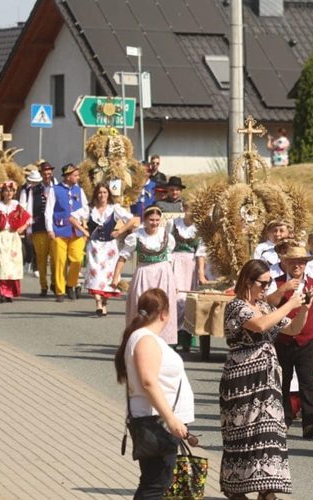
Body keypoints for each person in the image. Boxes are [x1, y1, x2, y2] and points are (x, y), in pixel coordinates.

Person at [220, 259, 312, 500]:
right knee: (242, 435)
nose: (267, 287)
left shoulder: (264, 306)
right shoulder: (236, 306)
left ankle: (267, 490)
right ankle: (235, 487)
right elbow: (259, 325)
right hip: (241, 380)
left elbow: (292, 329)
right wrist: (289, 302)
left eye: (269, 283)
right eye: (263, 283)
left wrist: (303, 308)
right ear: (248, 281)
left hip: (268, 380)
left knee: (269, 434)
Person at [115, 288, 195, 498]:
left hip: (158, 420)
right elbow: (148, 382)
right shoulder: (146, 340)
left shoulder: (143, 337)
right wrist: (171, 419)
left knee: (157, 482)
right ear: (164, 314)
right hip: (156, 422)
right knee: (155, 485)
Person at [265, 241, 313, 439]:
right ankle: (284, 419)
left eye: (301, 262)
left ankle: (310, 422)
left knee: (308, 381)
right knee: (283, 380)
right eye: (293, 263)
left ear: (306, 265)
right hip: (283, 339)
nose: (297, 266)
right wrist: (284, 289)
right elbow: (268, 303)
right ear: (285, 263)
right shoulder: (277, 281)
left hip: (307, 338)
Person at [112, 206, 179, 343]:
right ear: (145, 220)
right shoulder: (136, 236)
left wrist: (174, 281)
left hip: (163, 273)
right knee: (140, 305)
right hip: (144, 273)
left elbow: (169, 258)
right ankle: (138, 339)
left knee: (163, 305)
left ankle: (163, 340)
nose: (154, 223)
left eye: (157, 220)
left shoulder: (166, 236)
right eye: (151, 220)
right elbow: (123, 257)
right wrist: (115, 277)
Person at [71, 183, 135, 316]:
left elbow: (131, 219)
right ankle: (98, 303)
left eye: (105, 192)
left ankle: (104, 302)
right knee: (95, 274)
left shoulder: (114, 209)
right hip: (94, 246)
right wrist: (84, 231)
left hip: (109, 247)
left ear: (108, 194)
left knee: (109, 276)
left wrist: (120, 231)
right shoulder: (89, 209)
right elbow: (72, 218)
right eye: (100, 192)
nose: (102, 195)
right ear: (96, 194)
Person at [46, 164, 88, 302]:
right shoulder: (55, 190)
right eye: (75, 175)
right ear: (68, 176)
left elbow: (85, 208)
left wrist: (81, 218)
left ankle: (71, 284)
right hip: (59, 229)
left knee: (77, 259)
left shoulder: (79, 190)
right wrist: (50, 229)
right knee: (60, 261)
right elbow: (49, 210)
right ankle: (60, 291)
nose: (78, 177)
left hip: (76, 231)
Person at [170, 200, 208, 346]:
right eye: (187, 207)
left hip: (190, 266)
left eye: (193, 208)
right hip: (175, 262)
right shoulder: (173, 223)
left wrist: (201, 273)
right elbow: (167, 246)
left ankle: (187, 335)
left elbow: (201, 253)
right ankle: (174, 335)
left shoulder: (199, 228)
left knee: (188, 300)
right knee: (175, 298)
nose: (190, 211)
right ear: (183, 208)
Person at [0, 182, 31, 303]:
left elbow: (28, 218)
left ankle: (11, 292)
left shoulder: (17, 205)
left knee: (13, 265)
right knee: (3, 264)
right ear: (2, 192)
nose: (9, 193)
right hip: (2, 235)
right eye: (6, 190)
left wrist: (22, 228)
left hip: (14, 237)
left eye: (11, 191)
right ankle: (3, 292)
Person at [22, 162, 57, 295]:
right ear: (41, 175)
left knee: (55, 258)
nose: (47, 176)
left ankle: (54, 282)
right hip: (39, 227)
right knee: (41, 259)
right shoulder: (34, 190)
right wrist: (29, 229)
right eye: (45, 174)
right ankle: (43, 285)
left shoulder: (56, 188)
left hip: (54, 229)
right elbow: (29, 209)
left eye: (49, 173)